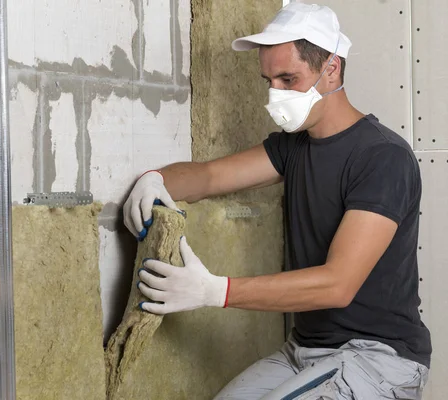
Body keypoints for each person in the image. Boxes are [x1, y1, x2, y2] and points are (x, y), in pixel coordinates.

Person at [122, 3, 431, 399]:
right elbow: (211, 176)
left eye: (289, 79)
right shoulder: (293, 147)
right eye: (269, 80)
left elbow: (337, 285)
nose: (276, 94)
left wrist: (215, 291)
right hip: (304, 350)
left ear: (331, 68)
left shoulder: (383, 157)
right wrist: (155, 178)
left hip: (378, 357)